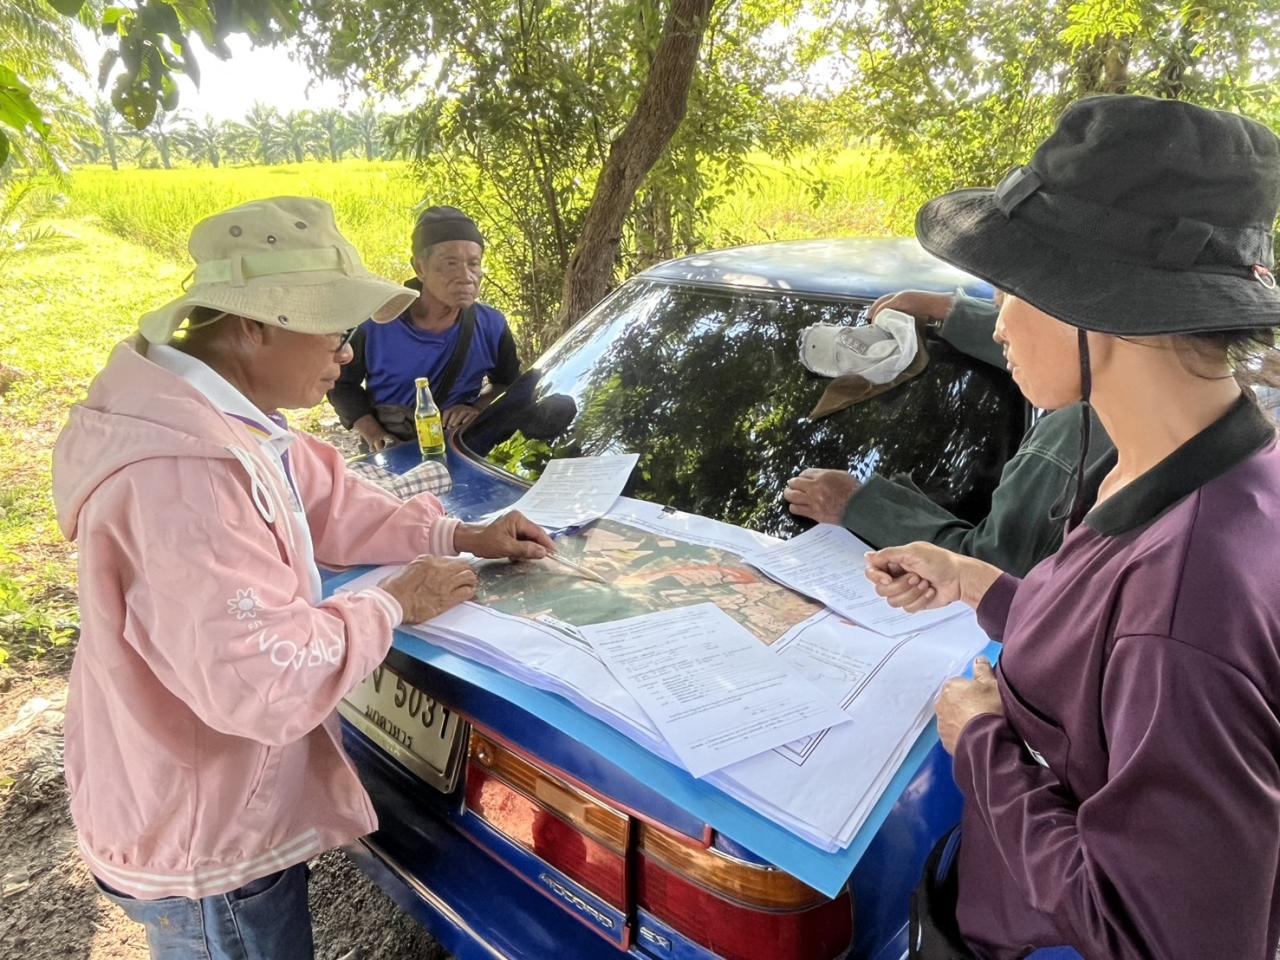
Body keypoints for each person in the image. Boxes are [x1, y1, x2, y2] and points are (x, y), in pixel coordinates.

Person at [51, 196, 555, 959]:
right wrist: (389, 604)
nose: (348, 354)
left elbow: (326, 500)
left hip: (206, 794)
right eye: (333, 330)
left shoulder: (218, 417)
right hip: (206, 833)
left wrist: (458, 532)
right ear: (254, 325)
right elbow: (263, 676)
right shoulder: (181, 476)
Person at [864, 96, 1280, 959]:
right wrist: (982, 585)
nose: (1000, 321)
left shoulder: (1191, 599)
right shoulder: (1198, 462)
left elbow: (1159, 938)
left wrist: (980, 741)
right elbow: (1112, 664)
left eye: (1015, 289)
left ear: (1104, 305)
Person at [785, 289, 1114, 576]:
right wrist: (949, 311)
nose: (999, 331)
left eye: (1009, 300)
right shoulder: (1146, 374)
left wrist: (858, 506)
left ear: (1072, 318)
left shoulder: (1076, 438)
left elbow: (991, 574)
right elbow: (1057, 344)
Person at [328, 205, 520, 451]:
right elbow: (341, 385)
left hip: (462, 449)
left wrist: (476, 409)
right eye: (451, 263)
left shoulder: (491, 325)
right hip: (392, 450)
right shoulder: (377, 322)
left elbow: (508, 384)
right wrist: (377, 436)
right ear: (420, 267)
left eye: (474, 263)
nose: (466, 276)